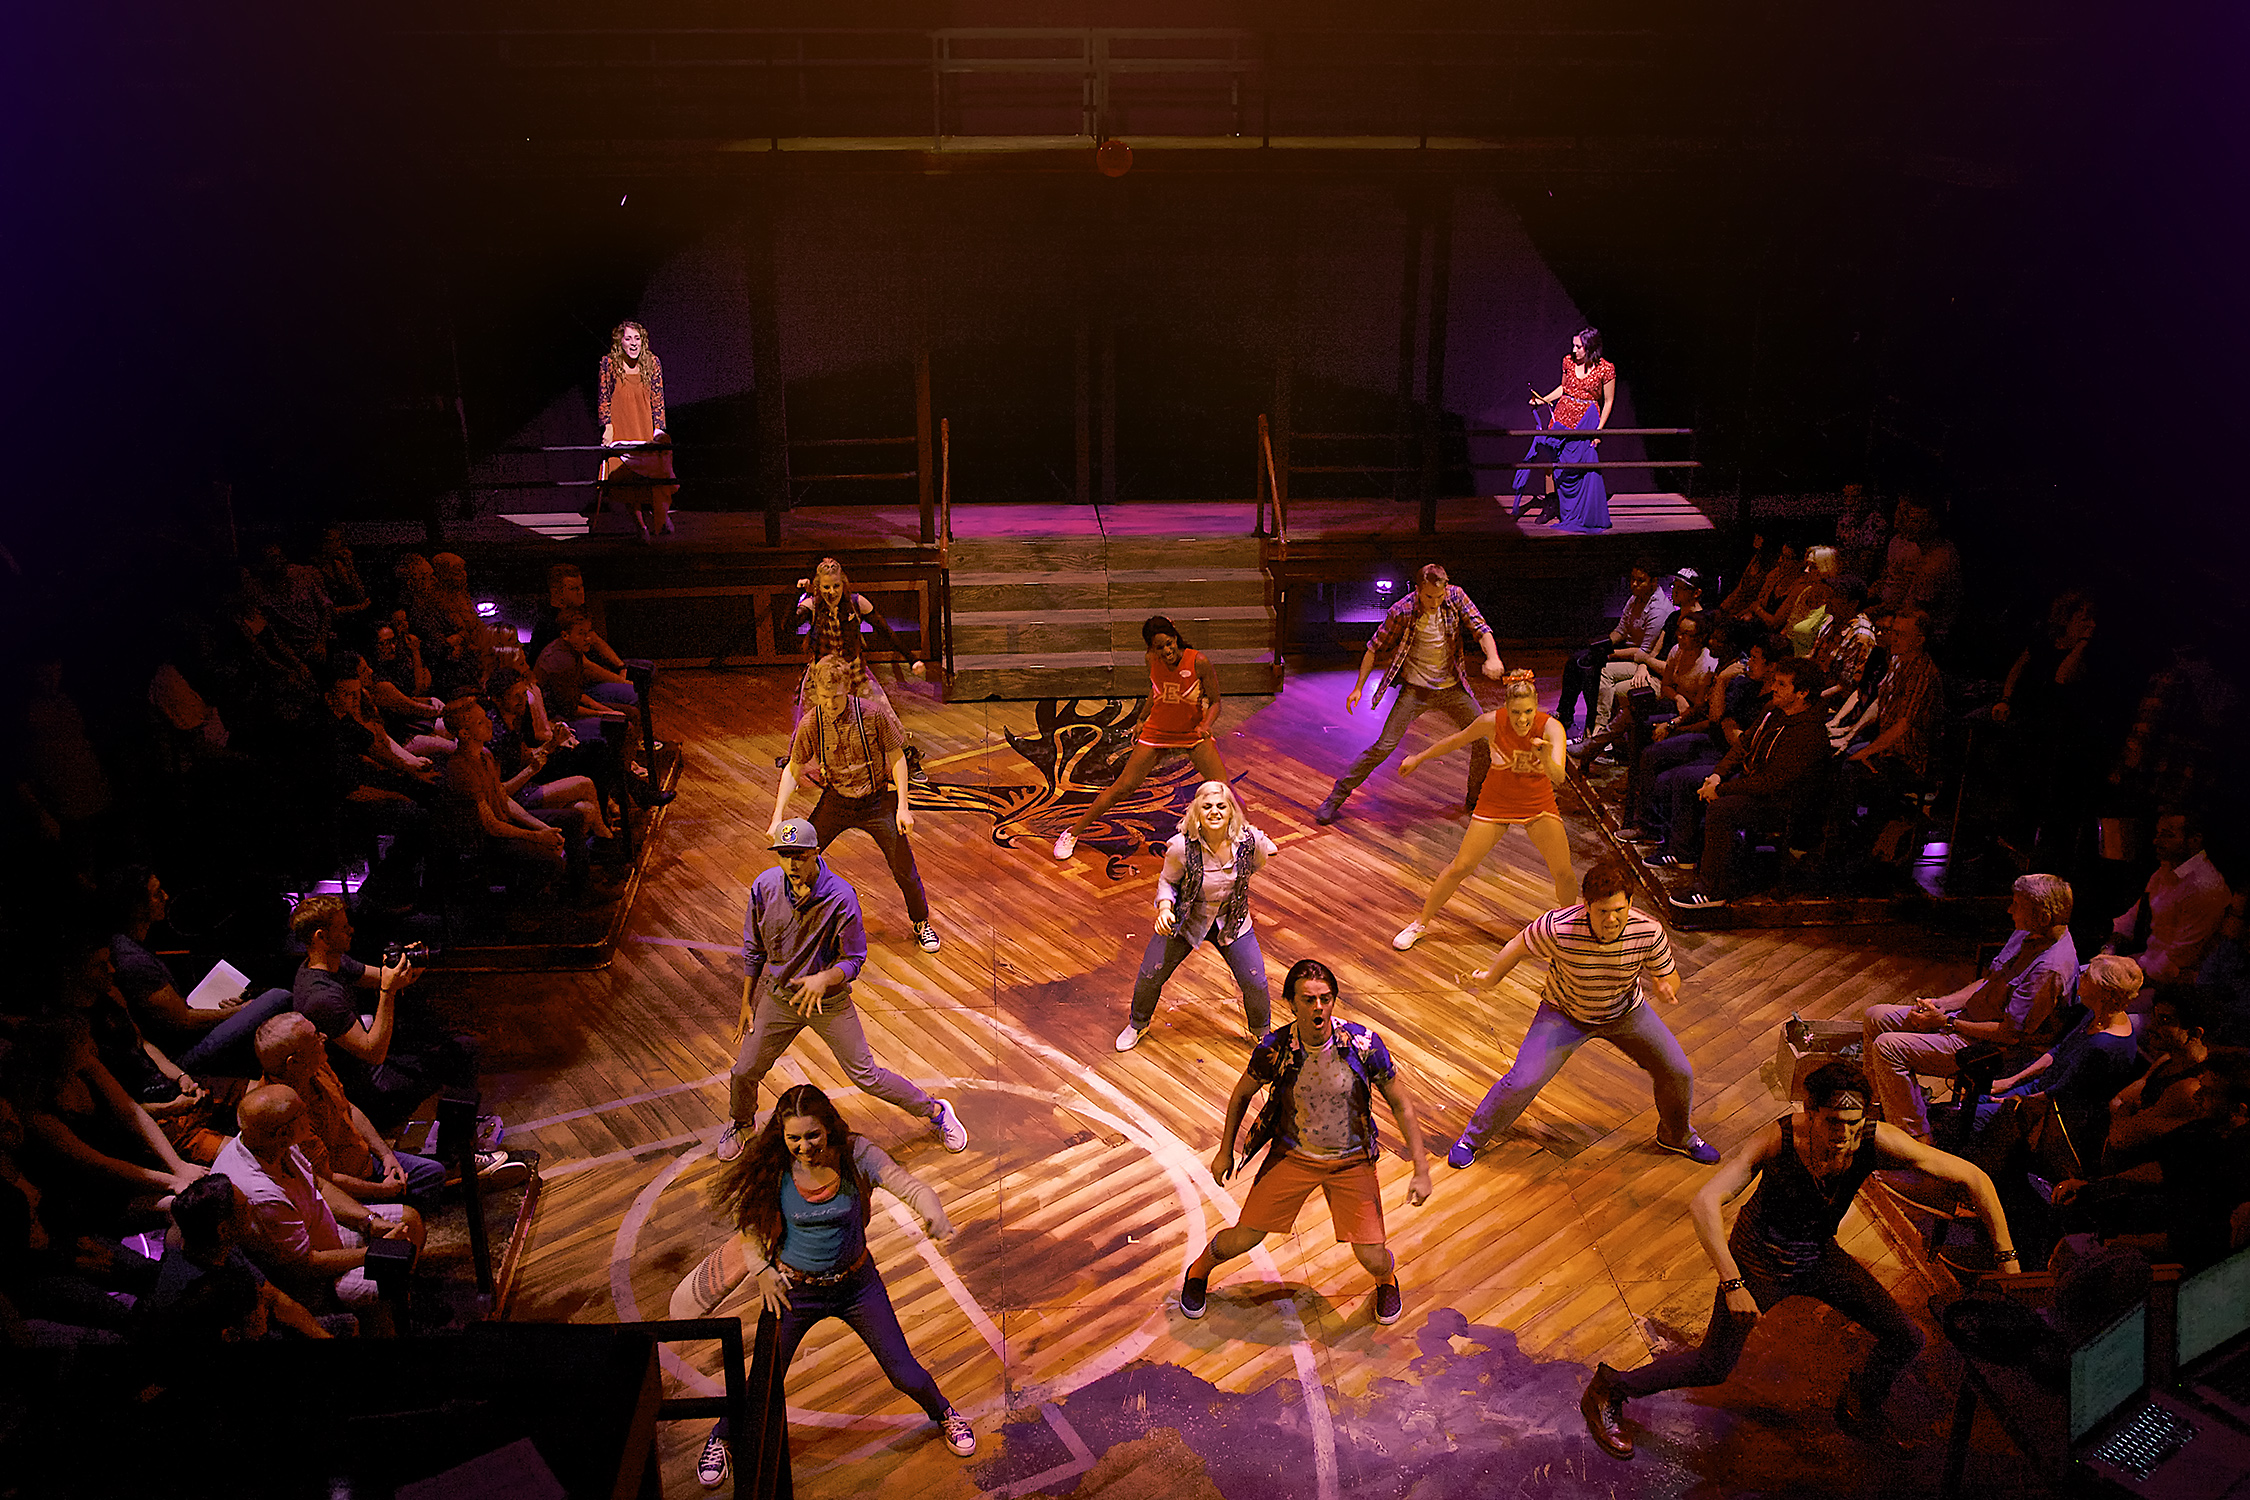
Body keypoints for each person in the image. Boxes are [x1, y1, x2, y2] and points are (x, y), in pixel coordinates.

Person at [1580, 1062, 2018, 1460]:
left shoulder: (1876, 1139)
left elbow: (1973, 1177)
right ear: (1810, 1112)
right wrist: (1734, 1283)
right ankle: (1608, 1388)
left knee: (1906, 1337)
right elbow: (1705, 1202)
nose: (1843, 1135)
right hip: (1758, 1261)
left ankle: (1860, 1402)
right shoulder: (1779, 1139)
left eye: (1853, 1123)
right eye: (1833, 1122)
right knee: (1713, 1366)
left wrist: (2007, 1259)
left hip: (1818, 1256)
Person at [671, 1085, 977, 1488]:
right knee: (763, 1380)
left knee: (902, 1371)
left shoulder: (857, 1154)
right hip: (793, 1293)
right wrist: (761, 1270)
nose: (804, 1147)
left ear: (828, 1127)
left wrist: (932, 1209)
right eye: (794, 1138)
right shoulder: (775, 1164)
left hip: (857, 1287)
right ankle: (722, 1436)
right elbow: (750, 1226)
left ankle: (944, 1414)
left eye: (812, 1135)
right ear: (782, 1135)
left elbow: (910, 1186)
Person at [1180, 959, 1433, 1328]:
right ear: (1292, 1003)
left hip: (1351, 1161)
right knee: (1244, 1238)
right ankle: (1199, 1270)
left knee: (1372, 1256)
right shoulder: (1275, 1048)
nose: (1318, 1007)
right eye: (1309, 999)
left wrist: (1421, 1169)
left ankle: (1386, 1279)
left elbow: (1401, 1104)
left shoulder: (1364, 1044)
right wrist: (1224, 1151)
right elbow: (1240, 1095)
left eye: (1325, 999)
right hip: (1294, 1157)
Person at [714, 819, 966, 1164]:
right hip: (780, 998)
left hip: (828, 1002)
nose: (791, 864)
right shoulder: (765, 886)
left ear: (816, 853)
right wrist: (746, 1001)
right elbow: (754, 948)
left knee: (866, 1076)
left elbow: (855, 959)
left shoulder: (841, 896)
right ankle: (742, 1123)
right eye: (784, 855)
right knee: (744, 1070)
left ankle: (936, 1111)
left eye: (799, 856)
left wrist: (824, 979)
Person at [1452, 858, 1719, 1166]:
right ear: (1587, 906)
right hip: (1563, 1014)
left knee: (1678, 1071)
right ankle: (1471, 1139)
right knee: (1523, 1080)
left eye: (1619, 910)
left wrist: (1666, 986)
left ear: (1630, 904)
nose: (1611, 919)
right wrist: (1490, 978)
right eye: (1603, 911)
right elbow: (1518, 946)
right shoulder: (1558, 927)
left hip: (1625, 1013)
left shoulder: (1648, 930)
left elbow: (1669, 975)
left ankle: (1677, 1136)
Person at [1860, 873, 2079, 1142]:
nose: (2009, 910)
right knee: (1876, 1016)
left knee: (1888, 1047)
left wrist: (1946, 1023)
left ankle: (1916, 1139)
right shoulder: (2027, 932)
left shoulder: (2050, 969)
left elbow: (2010, 1034)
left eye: (2016, 905)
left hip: (1993, 1049)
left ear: (2043, 917)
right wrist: (1941, 1004)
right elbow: (1989, 981)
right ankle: (1882, 1105)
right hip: (1966, 1021)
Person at [210, 1084, 423, 1326]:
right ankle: (389, 1326)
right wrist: (375, 1252)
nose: (309, 1114)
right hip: (310, 1284)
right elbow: (305, 1265)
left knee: (409, 1220)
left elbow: (318, 1185)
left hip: (321, 1234)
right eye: (302, 1112)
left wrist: (369, 1221)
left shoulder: (272, 1142)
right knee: (388, 1271)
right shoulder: (261, 1195)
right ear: (283, 1132)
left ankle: (401, 1306)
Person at [1392, 672, 1575, 951]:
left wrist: (1545, 757)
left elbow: (1559, 777)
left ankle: (1570, 931)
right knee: (1461, 866)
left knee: (1564, 872)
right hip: (1496, 802)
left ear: (1537, 705)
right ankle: (1420, 923)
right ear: (1506, 708)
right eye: (1515, 712)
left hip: (1537, 804)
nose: (1522, 719)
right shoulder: (1491, 722)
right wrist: (1418, 758)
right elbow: (1456, 740)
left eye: (1528, 711)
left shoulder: (1551, 728)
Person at [1313, 564, 1504, 828]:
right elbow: (1373, 648)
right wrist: (1358, 687)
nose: (1434, 603)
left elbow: (1481, 628)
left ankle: (1474, 801)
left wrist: (1492, 657)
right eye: (1429, 597)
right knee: (1383, 747)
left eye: (1439, 596)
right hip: (1416, 691)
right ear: (1417, 590)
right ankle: (1336, 797)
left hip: (1451, 688)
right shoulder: (1402, 610)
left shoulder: (1456, 596)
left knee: (1483, 739)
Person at [772, 655, 939, 954]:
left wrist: (903, 806)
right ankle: (794, 923)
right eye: (824, 697)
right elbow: (793, 769)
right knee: (799, 856)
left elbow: (897, 758)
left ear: (847, 689)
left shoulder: (873, 715)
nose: (830, 704)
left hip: (875, 800)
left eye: (836, 697)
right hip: (836, 800)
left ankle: (920, 922)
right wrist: (777, 817)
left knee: (903, 866)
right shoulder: (811, 723)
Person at [1054, 617, 1231, 860]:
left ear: (1175, 638)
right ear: (1151, 648)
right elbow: (1157, 689)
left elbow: (1216, 701)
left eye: (1169, 644)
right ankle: (1071, 833)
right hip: (1157, 732)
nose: (1166, 651)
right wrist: (1141, 718)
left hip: (1191, 733)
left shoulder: (1198, 661)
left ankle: (1251, 835)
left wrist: (1206, 724)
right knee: (1122, 787)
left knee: (1223, 789)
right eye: (1159, 647)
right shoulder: (1151, 660)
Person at [1118, 781, 1277, 1051]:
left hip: (1232, 920)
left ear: (1231, 811)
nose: (1214, 812)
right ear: (1197, 813)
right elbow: (1168, 881)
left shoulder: (1250, 843)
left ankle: (1262, 1035)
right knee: (1151, 973)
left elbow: (1257, 863)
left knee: (1255, 980)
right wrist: (1165, 908)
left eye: (1221, 806)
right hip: (1186, 919)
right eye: (1207, 807)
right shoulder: (1181, 847)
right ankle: (1138, 1024)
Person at [1668, 656, 1832, 908]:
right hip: (1753, 782)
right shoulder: (1773, 710)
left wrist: (1721, 790)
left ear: (1802, 693)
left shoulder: (1809, 734)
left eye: (1781, 684)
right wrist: (1717, 775)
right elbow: (1744, 743)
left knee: (1722, 809)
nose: (1773, 688)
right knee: (1687, 778)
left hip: (1782, 805)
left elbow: (1771, 783)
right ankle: (1682, 855)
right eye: (1774, 681)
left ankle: (1713, 890)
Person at [792, 558, 929, 780]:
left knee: (885, 716)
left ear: (843, 584)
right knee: (808, 725)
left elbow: (885, 630)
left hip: (854, 673)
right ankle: (798, 768)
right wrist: (796, 594)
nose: (832, 592)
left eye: (836, 586)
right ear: (818, 586)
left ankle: (908, 758)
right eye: (826, 587)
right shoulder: (812, 606)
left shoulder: (856, 603)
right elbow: (788, 625)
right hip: (822, 679)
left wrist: (911, 659)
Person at [2103, 810, 2233, 988]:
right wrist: (2108, 950)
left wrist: (2124, 982)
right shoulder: (2164, 872)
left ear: (2194, 840)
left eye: (2167, 835)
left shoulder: (2204, 886)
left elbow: (2179, 960)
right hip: (2144, 966)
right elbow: (2132, 919)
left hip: (2174, 987)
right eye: (2158, 834)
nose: (2156, 841)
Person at [1555, 558, 1671, 745]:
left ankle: (1594, 730)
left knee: (1593, 672)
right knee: (1576, 660)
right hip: (1627, 651)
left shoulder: (1658, 610)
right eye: (1632, 579)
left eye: (1640, 581)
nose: (1634, 584)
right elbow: (1620, 631)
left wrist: (1609, 654)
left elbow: (1644, 652)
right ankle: (1564, 715)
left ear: (1653, 582)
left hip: (1641, 660)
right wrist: (1602, 645)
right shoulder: (1635, 599)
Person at [1512, 327, 1615, 531]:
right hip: (1562, 414)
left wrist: (1599, 431)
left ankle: (1579, 508)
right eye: (1573, 345)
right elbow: (1563, 388)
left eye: (1579, 346)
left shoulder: (1606, 368)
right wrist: (1542, 400)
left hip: (1586, 418)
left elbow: (1608, 401)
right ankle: (1551, 503)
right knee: (1551, 459)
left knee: (1579, 464)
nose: (1574, 350)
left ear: (1590, 347)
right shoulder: (1568, 361)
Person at [596, 320, 675, 540]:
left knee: (657, 474)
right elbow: (604, 397)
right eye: (628, 338)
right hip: (622, 427)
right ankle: (640, 526)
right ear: (620, 342)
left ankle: (661, 515)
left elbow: (658, 398)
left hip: (644, 426)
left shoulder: (652, 362)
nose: (633, 343)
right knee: (627, 478)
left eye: (637, 338)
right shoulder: (609, 363)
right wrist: (608, 426)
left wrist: (659, 430)